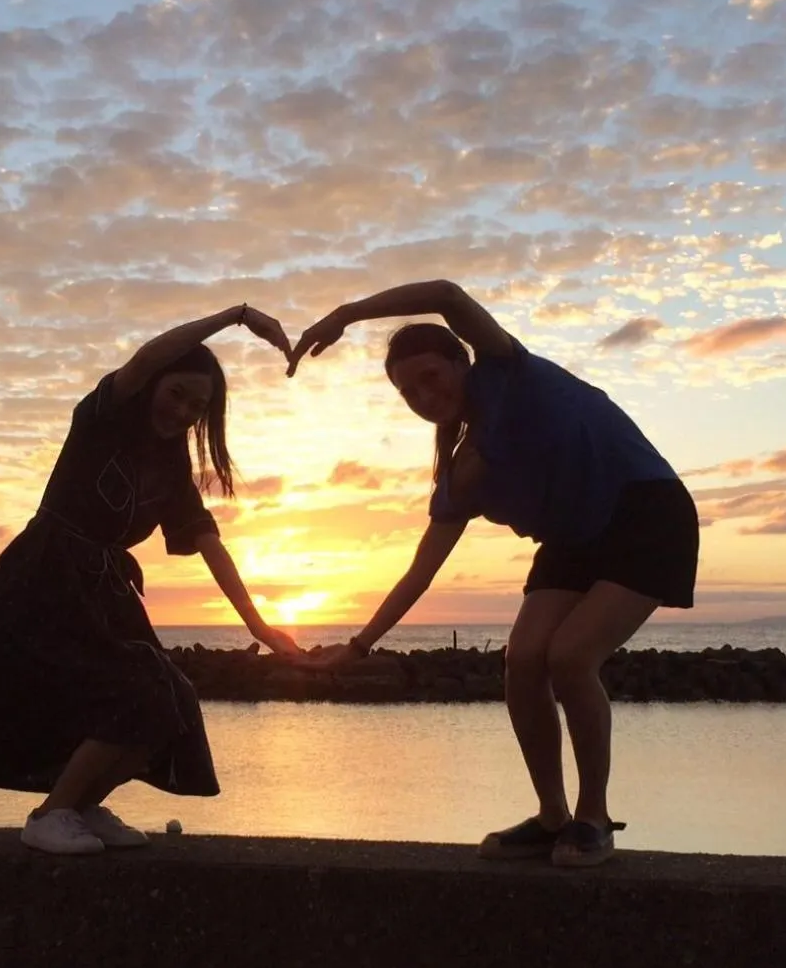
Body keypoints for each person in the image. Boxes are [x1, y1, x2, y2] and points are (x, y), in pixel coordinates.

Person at [287, 281, 698, 866]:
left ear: (462, 361)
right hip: (573, 539)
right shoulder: (464, 474)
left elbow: (447, 294)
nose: (425, 395)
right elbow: (418, 574)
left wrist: (348, 313)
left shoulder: (509, 373)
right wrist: (357, 647)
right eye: (409, 391)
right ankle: (551, 815)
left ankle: (594, 816)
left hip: (645, 512)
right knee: (523, 659)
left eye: (432, 376)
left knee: (571, 657)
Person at [0, 303, 300, 855]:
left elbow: (207, 542)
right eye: (177, 394)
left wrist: (260, 626)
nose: (184, 411)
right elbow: (147, 358)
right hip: (42, 580)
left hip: (102, 592)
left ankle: (81, 805)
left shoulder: (171, 468)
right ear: (153, 386)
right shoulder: (104, 420)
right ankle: (49, 816)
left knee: (172, 699)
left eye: (198, 406)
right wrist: (236, 317)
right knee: (133, 693)